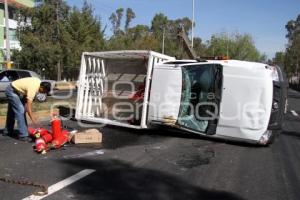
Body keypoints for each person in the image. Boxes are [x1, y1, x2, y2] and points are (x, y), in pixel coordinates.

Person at [3, 77, 49, 141]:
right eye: (43, 91)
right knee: (20, 110)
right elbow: (29, 107)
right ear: (41, 87)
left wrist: (27, 108)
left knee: (13, 111)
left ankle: (8, 131)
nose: (43, 93)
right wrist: (33, 120)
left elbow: (26, 101)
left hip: (16, 90)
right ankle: (23, 135)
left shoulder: (38, 82)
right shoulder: (33, 88)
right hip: (11, 91)